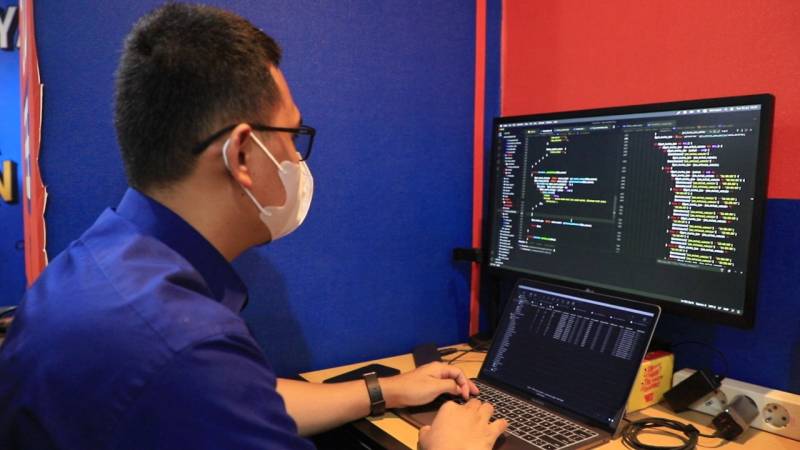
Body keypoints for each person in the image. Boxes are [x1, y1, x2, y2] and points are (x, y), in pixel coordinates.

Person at [0, 3, 506, 450]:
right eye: (292, 135)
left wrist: (387, 390)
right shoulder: (182, 343)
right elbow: (200, 380)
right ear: (242, 154)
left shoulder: (100, 264)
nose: (296, 158)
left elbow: (241, 399)